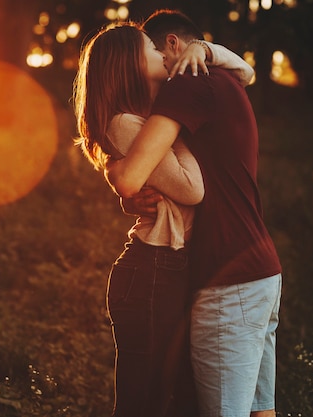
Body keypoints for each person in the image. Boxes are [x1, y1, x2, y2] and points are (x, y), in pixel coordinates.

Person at [73, 21, 256, 417]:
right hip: (152, 270)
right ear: (128, 64)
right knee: (145, 404)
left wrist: (205, 49)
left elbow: (245, 73)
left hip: (168, 268)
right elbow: (193, 189)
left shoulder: (146, 116)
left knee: (172, 400)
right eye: (148, 48)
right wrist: (175, 128)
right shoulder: (128, 123)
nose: (159, 51)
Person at [106, 9, 282, 417]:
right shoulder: (223, 79)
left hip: (227, 278)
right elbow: (248, 71)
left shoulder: (185, 83)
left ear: (172, 46)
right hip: (260, 272)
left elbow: (135, 176)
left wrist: (116, 172)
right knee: (261, 410)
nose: (153, 57)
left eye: (152, 47)